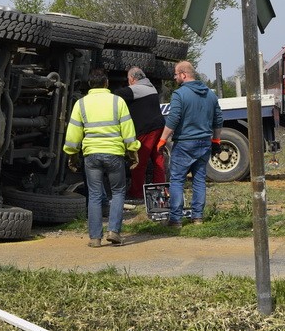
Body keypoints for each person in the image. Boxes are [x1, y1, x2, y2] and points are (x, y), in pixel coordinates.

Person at [63, 69, 140, 247]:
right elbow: (128, 130)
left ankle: (95, 238)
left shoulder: (81, 104)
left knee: (95, 195)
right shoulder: (117, 101)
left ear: (90, 84)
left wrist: (72, 156)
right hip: (114, 154)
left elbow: (73, 134)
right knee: (118, 192)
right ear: (106, 83)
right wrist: (133, 152)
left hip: (91, 155)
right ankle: (114, 231)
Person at [157, 61, 223, 227]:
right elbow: (218, 120)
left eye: (176, 74)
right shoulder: (210, 94)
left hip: (185, 143)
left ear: (183, 75)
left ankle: (175, 220)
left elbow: (173, 119)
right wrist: (216, 140)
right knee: (199, 180)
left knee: (177, 180)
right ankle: (198, 218)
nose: (174, 77)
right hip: (204, 143)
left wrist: (163, 139)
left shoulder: (179, 95)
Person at [113, 66, 167, 203]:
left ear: (132, 78)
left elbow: (116, 95)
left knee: (138, 162)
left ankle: (136, 193)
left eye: (128, 79)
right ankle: (160, 189)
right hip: (159, 127)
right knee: (158, 160)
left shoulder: (136, 89)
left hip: (146, 130)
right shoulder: (151, 87)